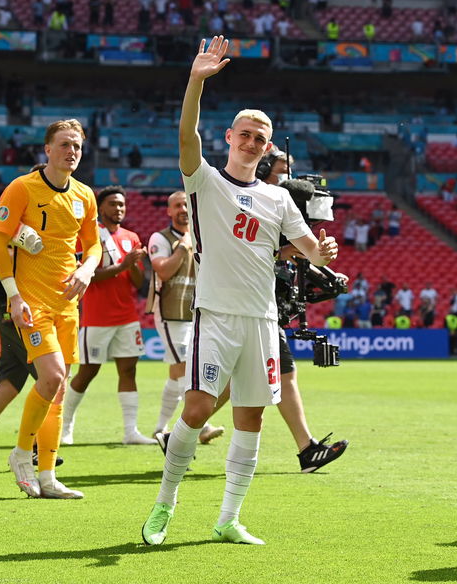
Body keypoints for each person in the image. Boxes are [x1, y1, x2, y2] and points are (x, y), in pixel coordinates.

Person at [141, 36, 339, 547]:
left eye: (260, 138)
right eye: (245, 134)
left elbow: (309, 250)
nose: (252, 142)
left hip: (262, 319)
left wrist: (325, 253)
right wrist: (195, 81)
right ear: (229, 136)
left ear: (268, 147)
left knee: (251, 417)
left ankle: (228, 519)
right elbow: (186, 134)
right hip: (216, 313)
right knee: (198, 408)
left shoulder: (278, 198)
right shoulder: (205, 181)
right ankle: (166, 503)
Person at [0, 119, 101, 499]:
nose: (72, 152)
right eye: (65, 144)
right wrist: (14, 296)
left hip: (67, 304)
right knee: (51, 377)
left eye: (78, 147)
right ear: (47, 150)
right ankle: (22, 455)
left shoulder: (85, 195)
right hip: (31, 301)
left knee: (58, 390)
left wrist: (86, 268)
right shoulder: (22, 188)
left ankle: (48, 475)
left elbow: (94, 244)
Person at [61, 185, 156, 446]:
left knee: (128, 371)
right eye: (113, 204)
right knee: (88, 372)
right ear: (101, 208)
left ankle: (130, 431)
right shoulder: (90, 236)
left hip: (127, 316)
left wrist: (134, 264)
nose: (118, 209)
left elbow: (137, 283)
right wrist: (122, 265)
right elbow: (88, 277)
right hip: (97, 317)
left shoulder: (131, 237)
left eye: (122, 205)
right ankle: (65, 427)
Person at [147, 191, 225, 443]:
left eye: (185, 205)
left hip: (197, 314)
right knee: (186, 369)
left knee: (175, 372)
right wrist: (183, 247)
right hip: (171, 313)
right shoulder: (160, 238)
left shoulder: (204, 238)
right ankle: (199, 426)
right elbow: (164, 271)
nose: (182, 209)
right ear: (169, 211)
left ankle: (160, 427)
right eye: (177, 205)